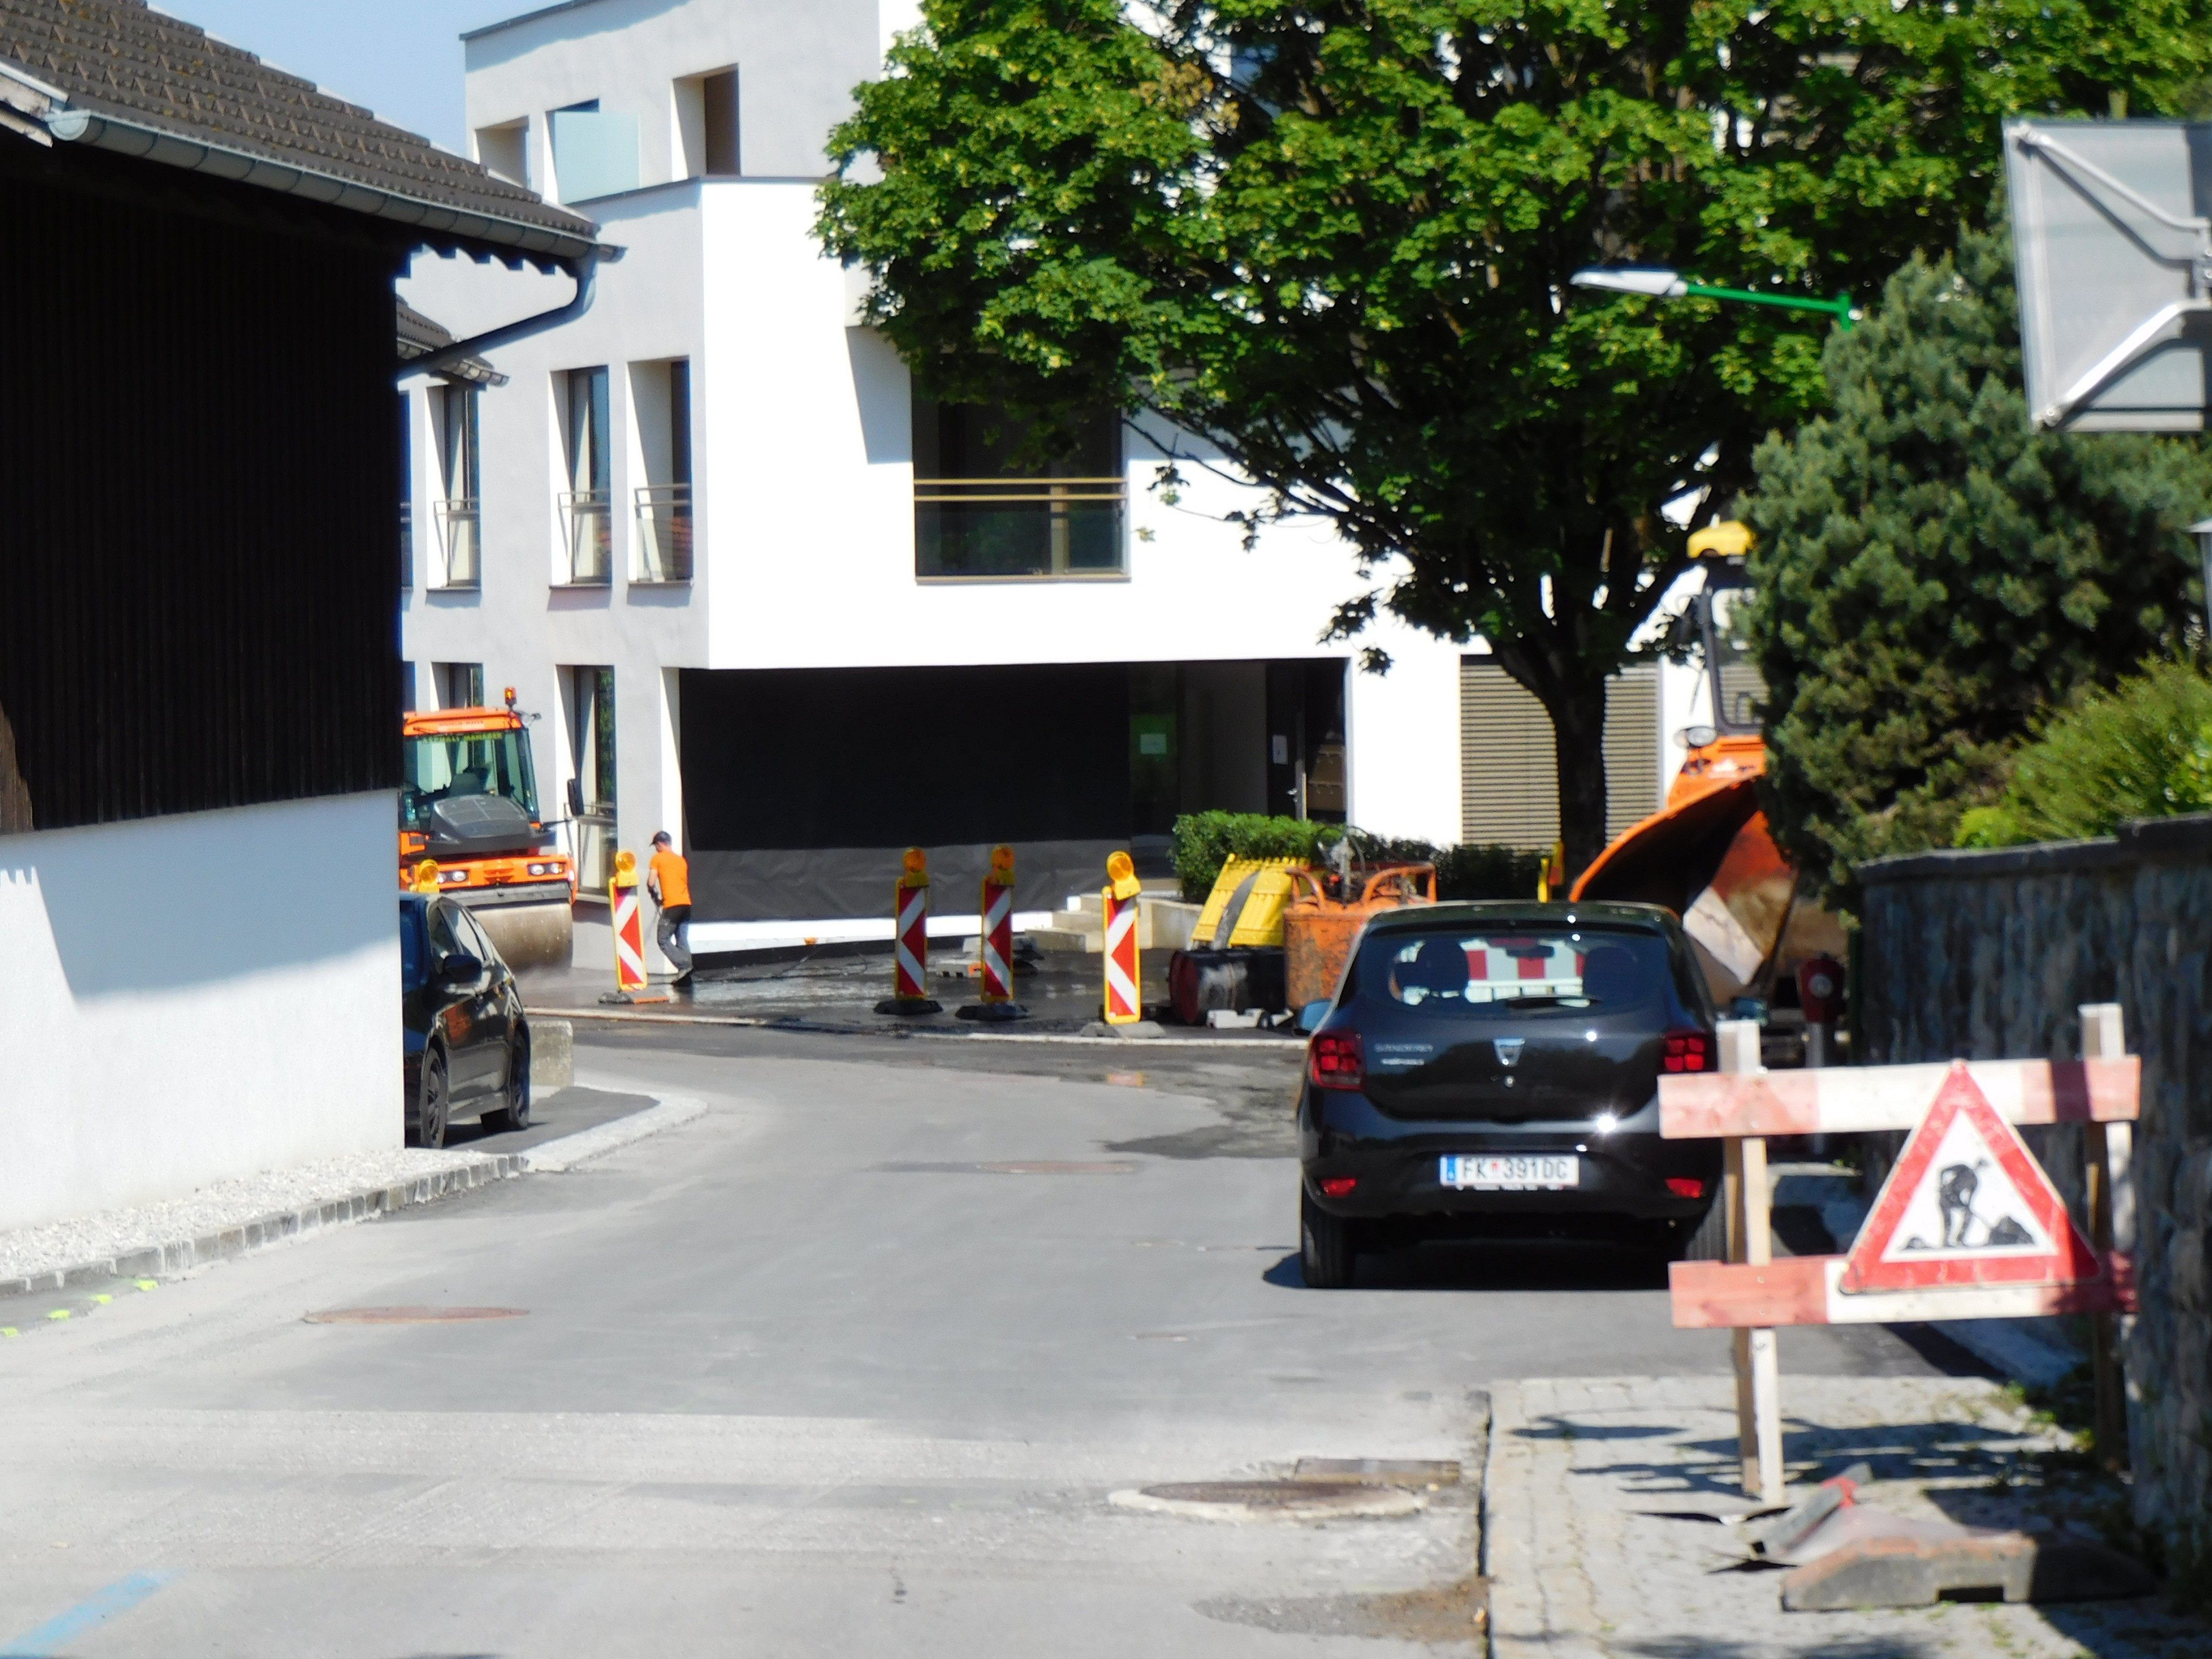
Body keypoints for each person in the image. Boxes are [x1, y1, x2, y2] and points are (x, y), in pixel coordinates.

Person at [646, 830, 693, 982]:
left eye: (656, 846)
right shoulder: (681, 860)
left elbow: (651, 882)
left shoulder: (658, 859)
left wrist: (654, 894)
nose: (656, 849)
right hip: (686, 904)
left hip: (672, 905)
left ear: (660, 845)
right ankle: (686, 973)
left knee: (663, 939)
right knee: (682, 939)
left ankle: (684, 965)